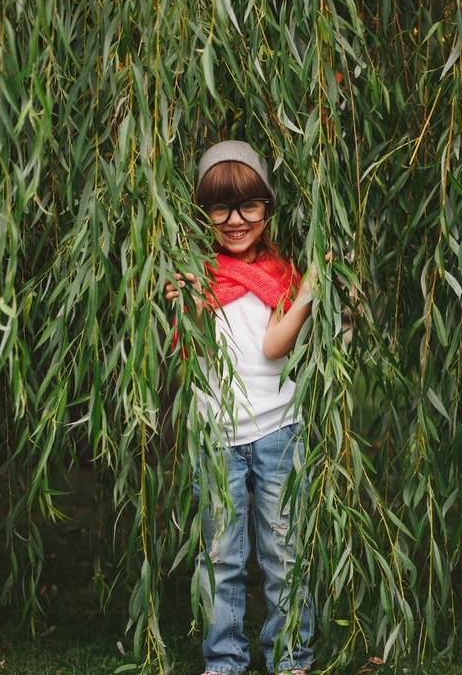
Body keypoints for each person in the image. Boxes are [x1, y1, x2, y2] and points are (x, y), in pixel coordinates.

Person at [165, 140, 317, 675]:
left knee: (284, 551)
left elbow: (276, 346)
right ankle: (225, 660)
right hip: (215, 435)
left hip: (279, 431)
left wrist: (313, 285)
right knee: (221, 556)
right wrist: (177, 295)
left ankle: (290, 657)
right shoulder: (195, 277)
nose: (234, 220)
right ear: (202, 212)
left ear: (267, 207)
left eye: (248, 205)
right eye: (219, 207)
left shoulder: (283, 276)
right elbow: (183, 343)